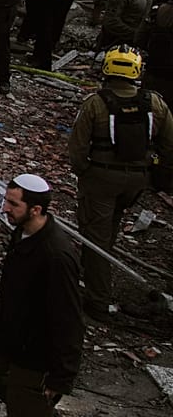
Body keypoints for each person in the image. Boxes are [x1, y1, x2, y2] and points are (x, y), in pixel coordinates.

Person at [69, 48, 173, 323]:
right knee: (110, 224)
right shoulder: (156, 103)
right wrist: (155, 173)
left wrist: (85, 172)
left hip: (101, 178)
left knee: (95, 237)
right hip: (137, 180)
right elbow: (168, 145)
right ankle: (95, 271)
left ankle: (97, 300)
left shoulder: (95, 104)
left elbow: (78, 148)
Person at [0, 174, 83, 414]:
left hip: (36, 351)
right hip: (10, 328)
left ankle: (32, 404)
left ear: (35, 210)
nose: (4, 208)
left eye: (13, 204)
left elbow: (68, 319)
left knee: (25, 405)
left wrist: (60, 378)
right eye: (6, 200)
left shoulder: (56, 257)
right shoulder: (22, 231)